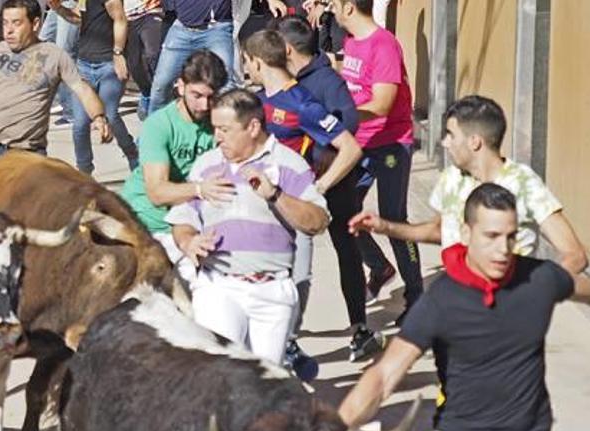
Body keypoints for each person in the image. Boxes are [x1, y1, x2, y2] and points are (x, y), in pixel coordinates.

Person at [339, 183, 590, 431]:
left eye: (510, 237)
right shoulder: (441, 300)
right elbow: (384, 375)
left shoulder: (539, 279)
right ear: (467, 233)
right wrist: (333, 428)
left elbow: (585, 289)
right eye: (491, 236)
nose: (502, 249)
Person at [166, 88, 330, 365]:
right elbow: (183, 218)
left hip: (271, 292)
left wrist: (276, 195)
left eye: (225, 130)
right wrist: (187, 241)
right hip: (218, 286)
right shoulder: (206, 165)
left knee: (263, 384)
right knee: (221, 374)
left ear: (253, 127)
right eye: (215, 128)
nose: (217, 136)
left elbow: (318, 221)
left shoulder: (288, 164)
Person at [242, 29, 371, 366]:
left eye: (245, 61)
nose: (245, 68)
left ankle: (288, 344)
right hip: (260, 206)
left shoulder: (302, 103)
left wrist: (319, 188)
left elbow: (351, 148)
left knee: (296, 279)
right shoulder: (256, 101)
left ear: (257, 61)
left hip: (292, 205)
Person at [350, 95, 589, 275]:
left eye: (451, 135)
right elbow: (436, 231)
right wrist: (385, 227)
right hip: (460, 312)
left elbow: (575, 255)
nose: (444, 143)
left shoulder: (523, 183)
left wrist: (534, 293)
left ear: (475, 142)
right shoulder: (453, 178)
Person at [332, 0, 424, 340]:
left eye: (332, 4)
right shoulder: (351, 42)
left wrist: (342, 115)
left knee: (394, 221)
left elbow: (383, 103)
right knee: (343, 214)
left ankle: (417, 295)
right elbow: (355, 86)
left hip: (390, 147)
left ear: (348, 7)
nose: (330, 10)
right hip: (360, 143)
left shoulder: (383, 44)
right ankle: (379, 266)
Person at [0, 0, 113, 169]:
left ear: (35, 24)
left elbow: (82, 89)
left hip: (27, 152)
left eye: (16, 23)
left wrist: (98, 117)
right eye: (5, 23)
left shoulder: (54, 57)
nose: (9, 30)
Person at [120, 50, 229, 286]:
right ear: (180, 86)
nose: (204, 105)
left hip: (192, 225)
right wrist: (201, 189)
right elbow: (157, 192)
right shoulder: (159, 125)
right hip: (147, 224)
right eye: (196, 95)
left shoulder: (220, 121)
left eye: (211, 97)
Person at [147, 0, 288, 113]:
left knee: (226, 85)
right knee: (161, 84)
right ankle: (152, 132)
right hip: (182, 28)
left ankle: (230, 129)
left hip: (217, 29)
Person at [49, 0, 139, 175]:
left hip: (108, 65)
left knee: (111, 116)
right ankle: (84, 173)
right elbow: (78, 18)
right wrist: (58, 9)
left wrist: (118, 53)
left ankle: (132, 154)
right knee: (80, 124)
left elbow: (120, 19)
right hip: (84, 65)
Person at [39, 1, 80, 127]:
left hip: (70, 4)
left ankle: (71, 112)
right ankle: (55, 100)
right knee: (41, 45)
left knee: (64, 56)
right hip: (55, 5)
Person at [123, 0, 164, 120]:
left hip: (151, 11)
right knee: (134, 64)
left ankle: (160, 94)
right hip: (126, 17)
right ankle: (146, 93)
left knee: (153, 53)